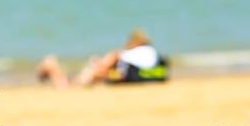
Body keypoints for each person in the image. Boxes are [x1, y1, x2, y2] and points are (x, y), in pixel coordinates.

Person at [36, 29, 168, 87]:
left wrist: (99, 65)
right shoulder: (152, 52)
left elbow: (116, 58)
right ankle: (52, 67)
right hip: (142, 75)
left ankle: (50, 66)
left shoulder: (128, 53)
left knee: (90, 73)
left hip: (130, 75)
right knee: (93, 73)